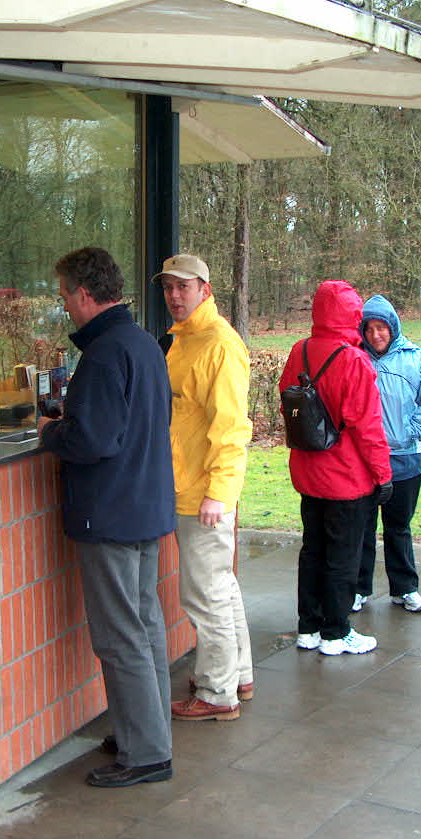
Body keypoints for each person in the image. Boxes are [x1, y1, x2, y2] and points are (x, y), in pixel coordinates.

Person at [37, 247, 176, 785]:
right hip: (142, 505)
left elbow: (93, 439)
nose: (66, 306)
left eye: (66, 295)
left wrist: (53, 431)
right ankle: (146, 729)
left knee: (120, 636)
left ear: (86, 294)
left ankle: (145, 754)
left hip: (110, 513)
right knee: (144, 626)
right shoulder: (141, 343)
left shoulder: (101, 353)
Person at [155, 254, 255, 722]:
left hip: (203, 493)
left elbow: (232, 426)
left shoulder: (220, 344)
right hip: (188, 483)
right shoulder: (183, 341)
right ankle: (237, 674)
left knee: (204, 594)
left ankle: (217, 694)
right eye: (169, 287)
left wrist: (220, 491)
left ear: (205, 291)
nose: (175, 296)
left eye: (184, 287)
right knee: (221, 587)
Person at [279, 280, 392, 656]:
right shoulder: (354, 359)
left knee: (312, 549)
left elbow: (288, 402)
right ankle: (336, 630)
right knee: (343, 555)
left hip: (308, 471)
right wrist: (383, 475)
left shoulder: (299, 351)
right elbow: (368, 427)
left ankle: (308, 627)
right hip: (346, 476)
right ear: (354, 315)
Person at [355, 295, 421, 614]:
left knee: (398, 526)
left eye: (382, 328)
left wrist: (411, 431)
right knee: (363, 526)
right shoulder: (355, 358)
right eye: (369, 329)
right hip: (363, 461)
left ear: (392, 327)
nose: (376, 335)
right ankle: (358, 588)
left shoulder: (417, 358)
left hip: (405, 458)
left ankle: (405, 588)